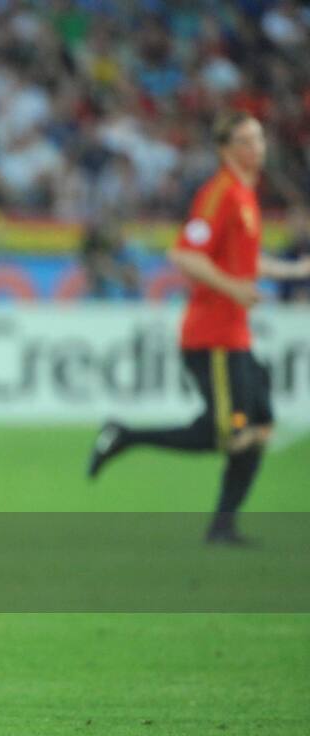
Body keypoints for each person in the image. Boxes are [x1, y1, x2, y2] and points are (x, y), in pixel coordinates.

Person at [88, 111, 310, 543]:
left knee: (260, 424)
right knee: (231, 433)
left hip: (236, 335)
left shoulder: (245, 195)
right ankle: (126, 436)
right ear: (227, 149)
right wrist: (234, 288)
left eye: (260, 139)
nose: (258, 148)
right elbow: (185, 255)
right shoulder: (220, 193)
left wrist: (294, 269)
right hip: (212, 337)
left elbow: (242, 263)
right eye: (247, 141)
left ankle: (223, 525)